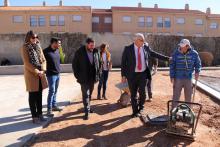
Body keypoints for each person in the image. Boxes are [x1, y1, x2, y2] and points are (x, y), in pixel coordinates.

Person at [121, 33, 170, 118]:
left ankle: (141, 108)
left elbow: (154, 54)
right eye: (141, 40)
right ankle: (135, 111)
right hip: (132, 75)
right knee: (133, 94)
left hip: (143, 74)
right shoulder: (128, 49)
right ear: (136, 40)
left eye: (144, 40)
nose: (143, 42)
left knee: (143, 93)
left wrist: (167, 58)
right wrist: (123, 76)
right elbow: (123, 63)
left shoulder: (145, 47)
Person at [20, 30, 48, 124]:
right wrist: (37, 71)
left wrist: (43, 70)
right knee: (32, 96)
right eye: (33, 37)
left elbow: (43, 60)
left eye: (36, 37)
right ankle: (34, 116)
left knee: (39, 95)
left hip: (41, 74)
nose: (35, 39)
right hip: (32, 75)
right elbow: (26, 63)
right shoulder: (25, 47)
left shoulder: (38, 46)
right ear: (28, 38)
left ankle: (40, 114)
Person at [72, 37, 102, 120]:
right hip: (83, 78)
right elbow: (75, 65)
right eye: (91, 45)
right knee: (86, 94)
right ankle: (86, 111)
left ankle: (88, 107)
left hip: (93, 78)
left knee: (90, 94)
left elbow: (99, 63)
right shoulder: (79, 52)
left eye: (93, 45)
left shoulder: (96, 51)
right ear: (87, 44)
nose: (93, 47)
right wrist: (77, 76)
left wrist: (99, 74)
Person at [170, 39, 201, 108]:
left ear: (187, 46)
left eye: (183, 46)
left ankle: (188, 110)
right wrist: (172, 76)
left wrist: (197, 71)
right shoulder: (176, 53)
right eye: (180, 46)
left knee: (188, 95)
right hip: (178, 77)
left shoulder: (194, 54)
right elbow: (172, 65)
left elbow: (198, 64)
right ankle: (174, 110)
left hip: (188, 77)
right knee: (176, 95)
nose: (181, 48)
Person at [43, 37, 62, 117]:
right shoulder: (45, 52)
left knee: (55, 90)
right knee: (52, 91)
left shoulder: (57, 50)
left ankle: (54, 105)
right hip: (51, 75)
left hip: (58, 74)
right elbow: (42, 63)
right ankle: (49, 110)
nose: (60, 45)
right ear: (53, 43)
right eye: (58, 43)